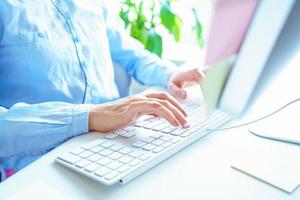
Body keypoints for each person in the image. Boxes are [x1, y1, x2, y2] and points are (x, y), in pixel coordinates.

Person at [0, 1, 203, 181]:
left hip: (115, 141)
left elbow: (132, 55)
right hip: (39, 165)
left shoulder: (95, 4)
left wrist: (169, 75)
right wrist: (87, 117)